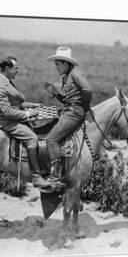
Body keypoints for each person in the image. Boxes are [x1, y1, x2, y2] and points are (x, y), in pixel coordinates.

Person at [0, 56, 50, 188]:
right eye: (15, 68)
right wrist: (28, 114)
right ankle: (36, 176)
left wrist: (33, 105)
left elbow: (17, 103)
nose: (17, 71)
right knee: (32, 138)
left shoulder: (7, 81)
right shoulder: (0, 86)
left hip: (17, 118)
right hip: (9, 122)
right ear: (7, 68)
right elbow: (7, 111)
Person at [44, 46, 93, 188]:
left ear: (66, 63)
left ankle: (56, 174)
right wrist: (57, 94)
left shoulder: (75, 73)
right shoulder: (66, 77)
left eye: (58, 64)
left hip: (74, 113)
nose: (56, 67)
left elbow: (88, 90)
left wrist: (84, 108)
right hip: (69, 111)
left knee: (51, 139)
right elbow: (69, 100)